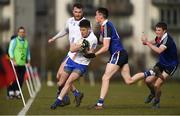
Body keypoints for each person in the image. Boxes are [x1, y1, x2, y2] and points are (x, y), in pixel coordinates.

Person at [84, 7, 137, 109]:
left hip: (117, 54)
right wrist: (89, 41)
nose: (95, 16)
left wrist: (94, 54)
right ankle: (151, 73)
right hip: (122, 53)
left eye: (96, 15)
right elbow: (100, 41)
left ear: (101, 16)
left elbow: (106, 47)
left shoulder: (107, 26)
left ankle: (100, 104)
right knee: (129, 80)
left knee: (105, 77)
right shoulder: (104, 27)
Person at [50, 19, 97, 110]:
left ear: (89, 29)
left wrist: (85, 50)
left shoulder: (93, 39)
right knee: (60, 82)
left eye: (83, 30)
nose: (81, 32)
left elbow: (89, 53)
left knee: (68, 81)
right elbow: (71, 48)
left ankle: (57, 102)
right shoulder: (79, 34)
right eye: (80, 30)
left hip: (82, 64)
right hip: (72, 60)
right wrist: (80, 46)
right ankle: (77, 94)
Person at [48, 3, 85, 106]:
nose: (77, 14)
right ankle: (76, 94)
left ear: (82, 12)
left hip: (77, 54)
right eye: (76, 12)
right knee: (59, 76)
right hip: (70, 52)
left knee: (60, 77)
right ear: (72, 11)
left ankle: (63, 97)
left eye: (79, 12)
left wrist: (81, 48)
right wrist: (54, 38)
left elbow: (88, 38)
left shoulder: (85, 23)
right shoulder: (69, 21)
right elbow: (65, 31)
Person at [139, 22, 179, 108]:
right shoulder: (159, 37)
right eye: (156, 30)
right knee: (148, 81)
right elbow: (151, 42)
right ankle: (153, 93)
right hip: (161, 63)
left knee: (157, 84)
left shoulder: (167, 40)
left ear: (164, 31)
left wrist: (148, 43)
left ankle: (157, 101)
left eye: (159, 30)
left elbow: (159, 51)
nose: (157, 32)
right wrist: (145, 41)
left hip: (171, 65)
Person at [7, 26, 31, 99]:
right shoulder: (14, 41)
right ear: (18, 33)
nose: (22, 33)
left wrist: (29, 61)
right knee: (13, 78)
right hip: (15, 63)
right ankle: (11, 92)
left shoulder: (26, 42)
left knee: (21, 79)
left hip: (23, 64)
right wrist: (13, 60)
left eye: (23, 32)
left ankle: (17, 92)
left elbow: (28, 52)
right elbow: (10, 50)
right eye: (20, 32)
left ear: (25, 33)